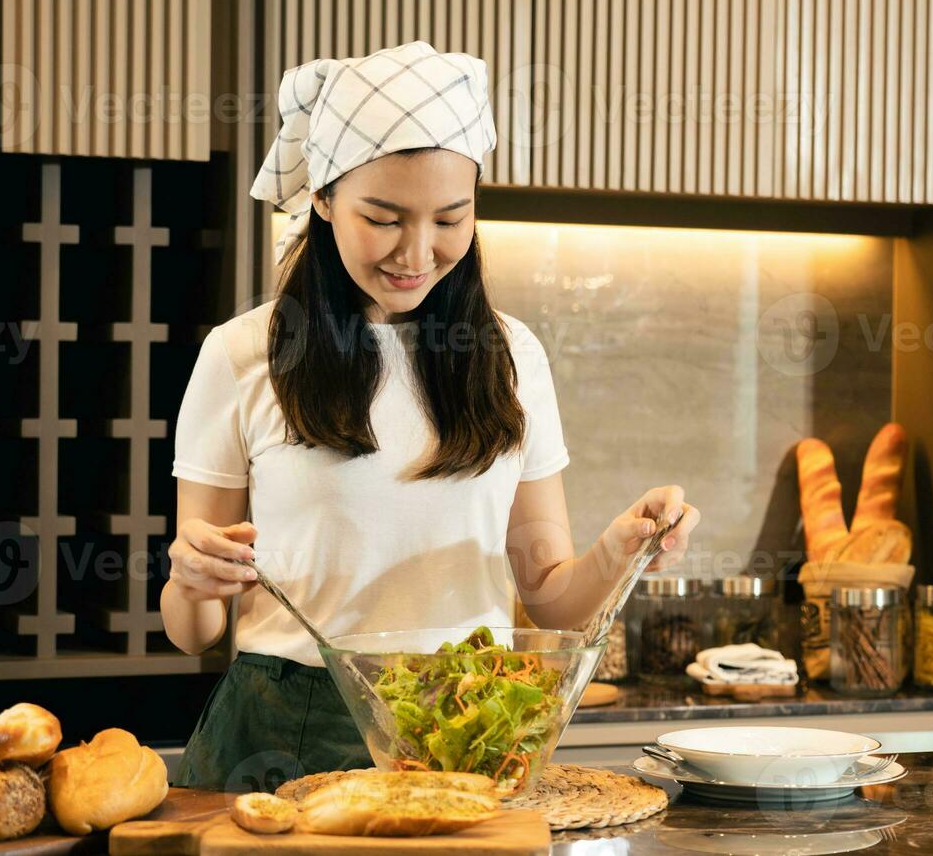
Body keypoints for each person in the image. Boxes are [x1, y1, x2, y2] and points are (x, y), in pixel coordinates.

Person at [161, 42, 701, 790]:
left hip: (463, 726)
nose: (417, 251)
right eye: (383, 217)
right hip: (282, 728)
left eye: (451, 218)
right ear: (321, 198)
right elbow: (196, 633)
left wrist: (621, 547)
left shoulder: (511, 356)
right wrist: (189, 582)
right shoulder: (242, 355)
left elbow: (549, 598)